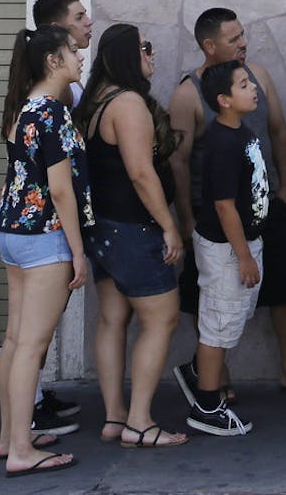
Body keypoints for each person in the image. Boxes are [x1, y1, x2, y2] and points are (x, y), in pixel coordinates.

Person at [167, 7, 286, 405]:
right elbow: (177, 162)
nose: (243, 44)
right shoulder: (187, 95)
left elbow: (281, 132)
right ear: (209, 46)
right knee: (210, 297)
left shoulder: (258, 78)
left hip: (268, 207)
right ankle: (215, 377)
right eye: (233, 39)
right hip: (216, 217)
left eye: (243, 35)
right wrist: (184, 218)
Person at [75, 25, 189, 447]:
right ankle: (140, 422)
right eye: (146, 47)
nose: (152, 55)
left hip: (101, 230)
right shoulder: (127, 103)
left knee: (112, 319)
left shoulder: (94, 103)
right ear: (127, 54)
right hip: (132, 229)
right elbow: (141, 173)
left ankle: (114, 417)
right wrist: (169, 225)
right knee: (161, 318)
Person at [0, 25, 89, 477]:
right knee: (32, 345)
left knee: (15, 340)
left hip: (12, 231)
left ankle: (11, 437)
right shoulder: (52, 113)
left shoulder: (23, 108)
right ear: (53, 60)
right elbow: (61, 191)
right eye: (73, 50)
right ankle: (22, 451)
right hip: (44, 234)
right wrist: (78, 251)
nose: (80, 56)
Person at [179, 60, 272, 437]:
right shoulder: (220, 143)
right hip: (226, 250)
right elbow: (223, 204)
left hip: (246, 243)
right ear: (223, 100)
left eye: (251, 82)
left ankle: (200, 371)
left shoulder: (243, 132)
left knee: (232, 317)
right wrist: (244, 256)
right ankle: (206, 406)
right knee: (218, 325)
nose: (253, 89)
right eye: (243, 85)